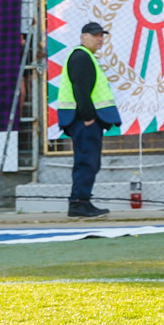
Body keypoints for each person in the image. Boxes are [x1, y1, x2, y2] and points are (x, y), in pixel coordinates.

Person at [55, 21, 121, 218]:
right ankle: (79, 203)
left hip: (83, 119)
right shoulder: (82, 57)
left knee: (89, 161)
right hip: (84, 121)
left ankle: (82, 201)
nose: (99, 39)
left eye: (101, 35)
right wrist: (88, 117)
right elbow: (81, 91)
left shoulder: (85, 56)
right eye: (95, 35)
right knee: (86, 161)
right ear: (83, 37)